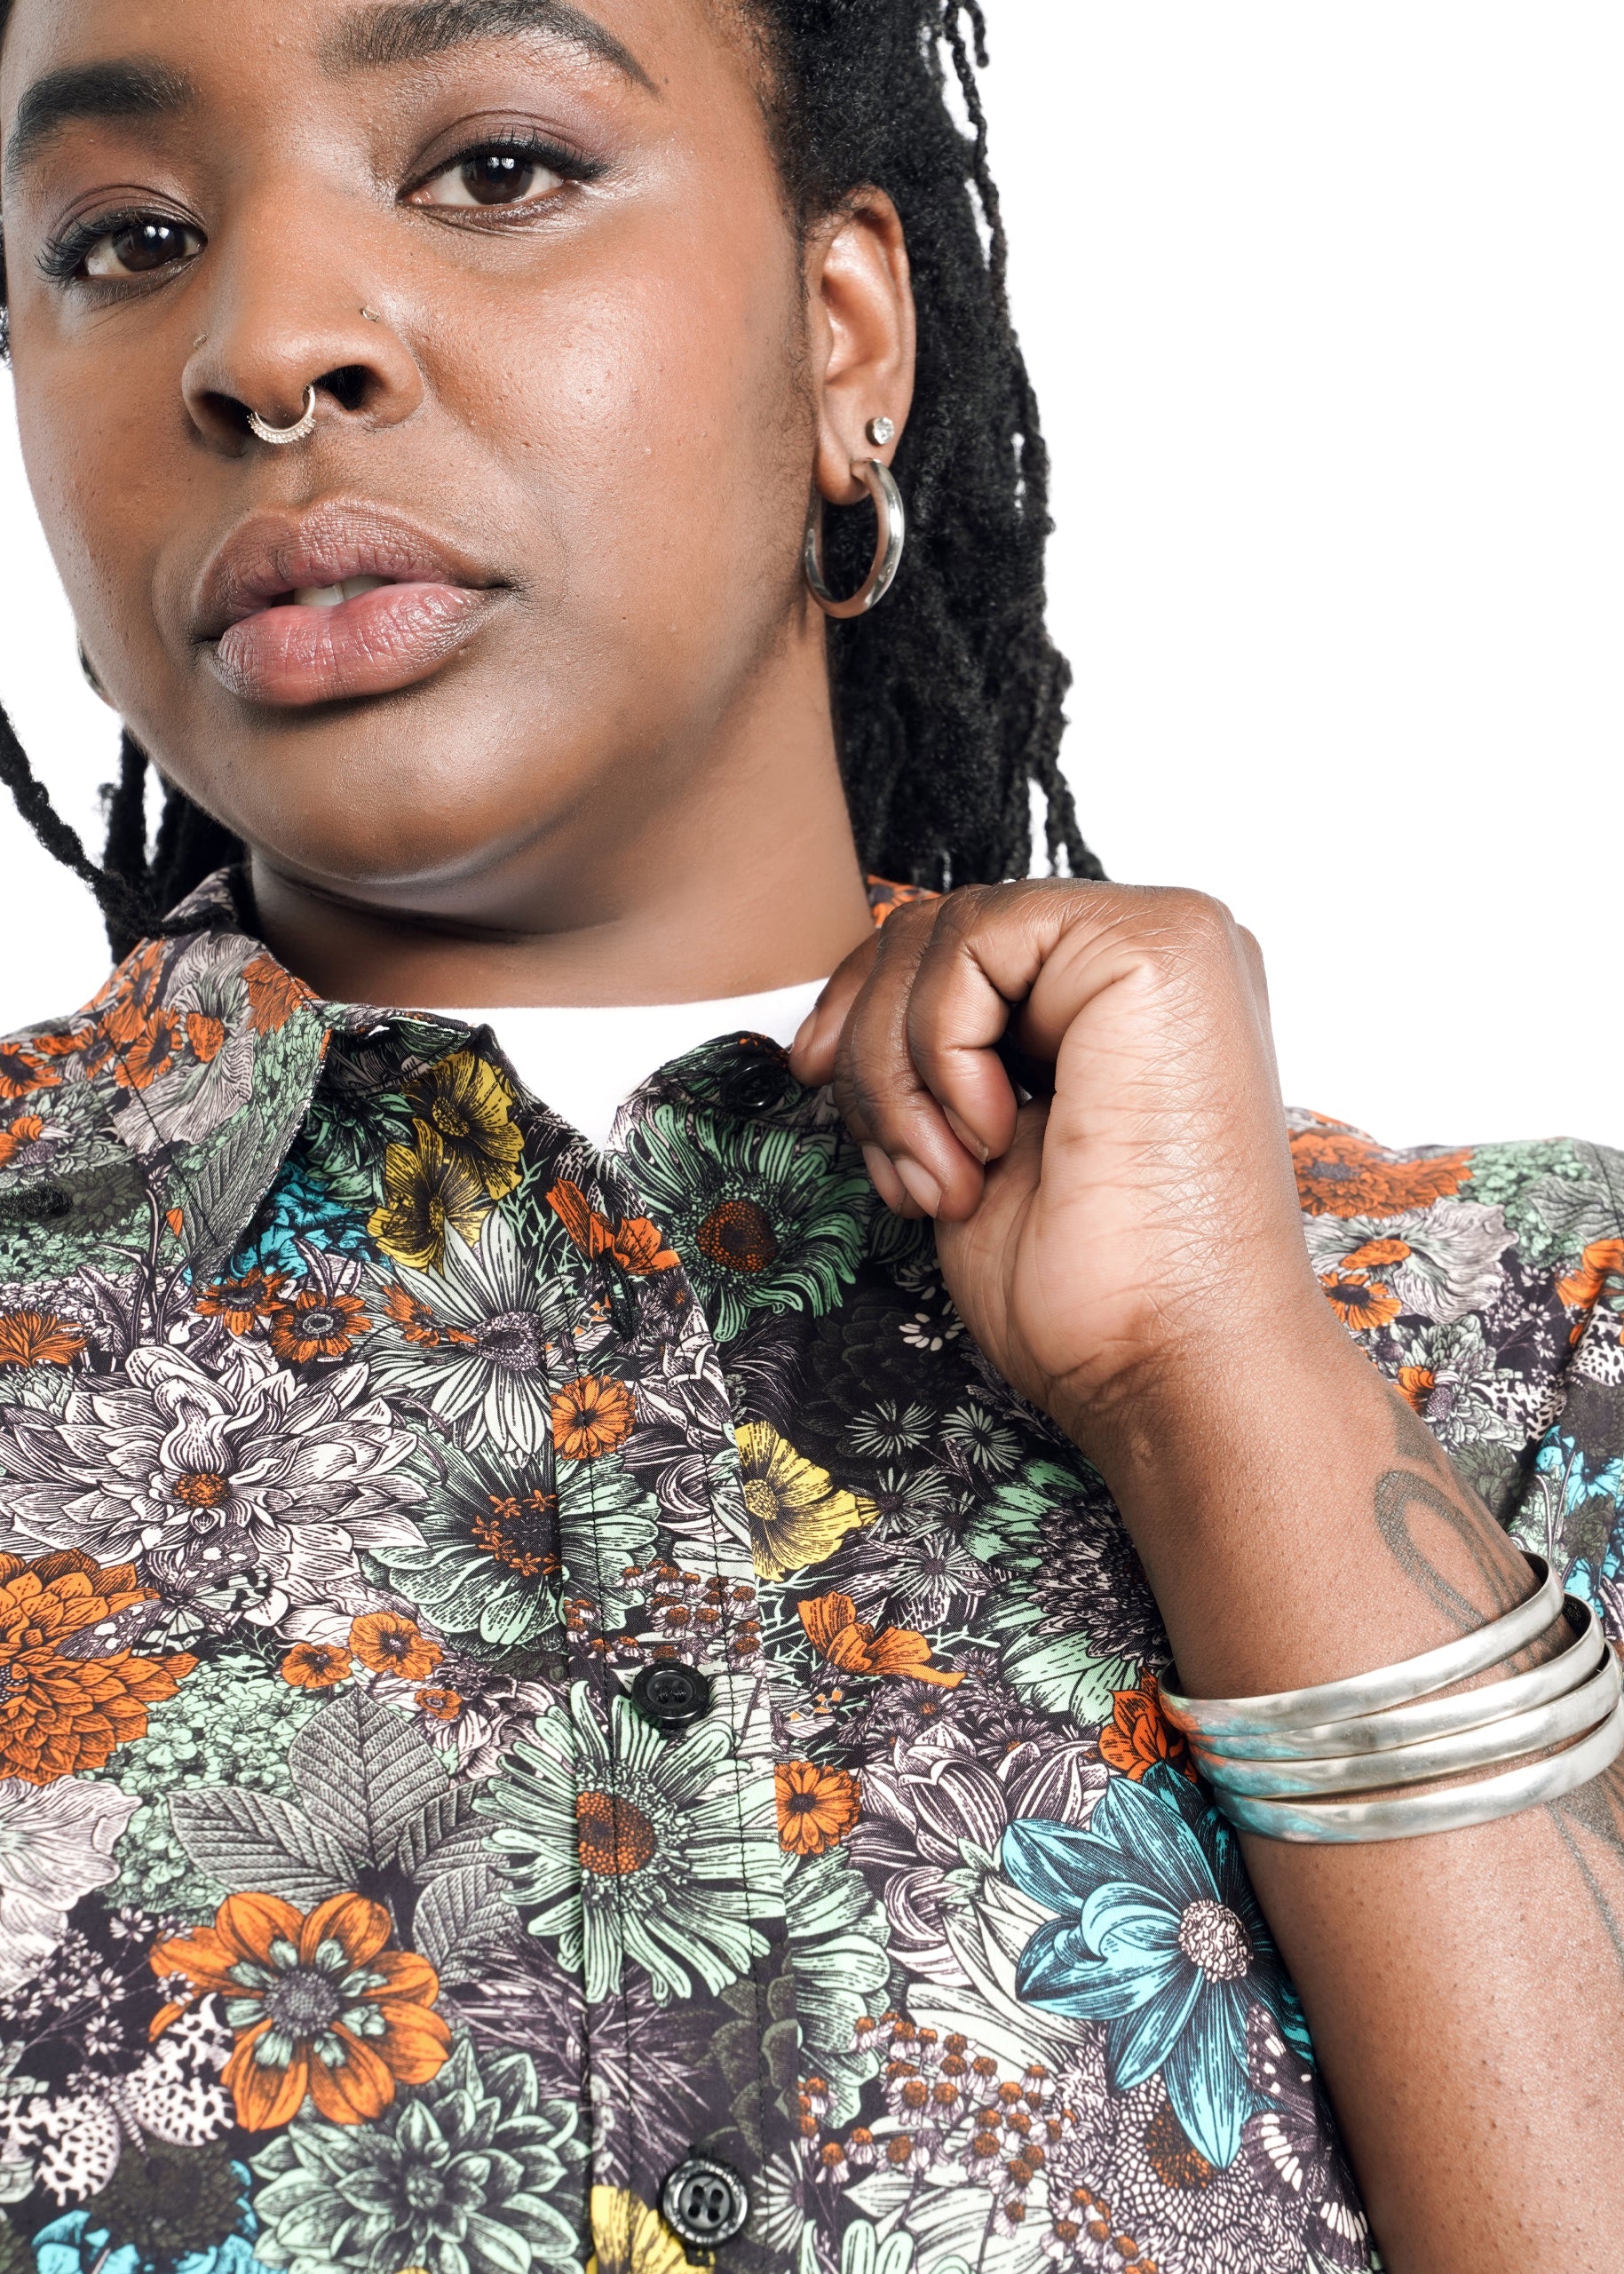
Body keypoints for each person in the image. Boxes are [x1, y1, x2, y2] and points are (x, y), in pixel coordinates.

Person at [0, 2, 1620, 2270]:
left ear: (845, 331)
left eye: (494, 170)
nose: (265, 345)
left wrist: (1225, 1396)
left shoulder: (1538, 1340)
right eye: (129, 237)